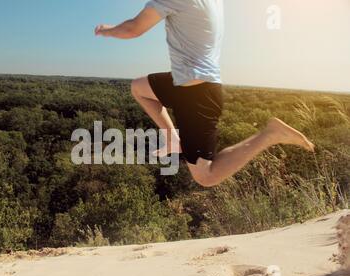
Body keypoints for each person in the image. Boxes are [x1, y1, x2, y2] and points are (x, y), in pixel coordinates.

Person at [95, 0, 314, 187]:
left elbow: (134, 28)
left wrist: (107, 30)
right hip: (187, 84)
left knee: (205, 176)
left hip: (197, 97)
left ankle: (270, 134)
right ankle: (172, 137)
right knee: (138, 88)